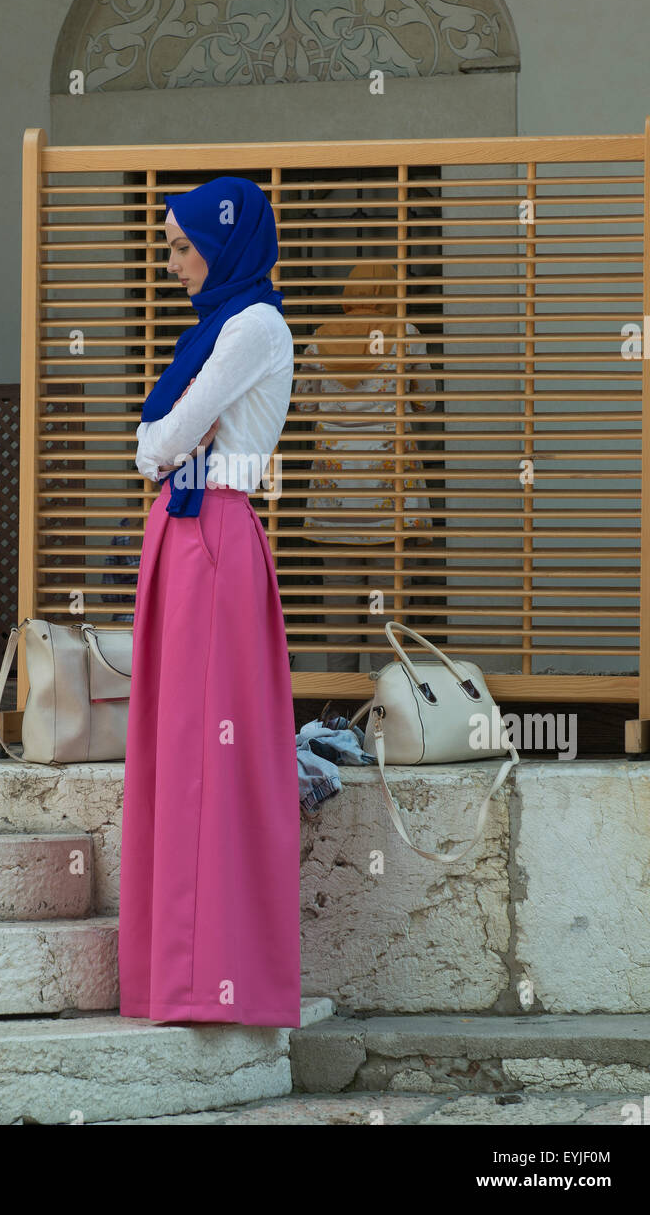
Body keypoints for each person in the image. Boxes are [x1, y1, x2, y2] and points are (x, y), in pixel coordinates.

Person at [119, 176, 300, 1027]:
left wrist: (156, 445)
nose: (169, 263)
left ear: (224, 245)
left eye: (182, 247)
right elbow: (157, 447)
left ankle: (207, 979)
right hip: (190, 538)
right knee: (179, 748)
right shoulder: (220, 327)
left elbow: (161, 442)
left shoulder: (250, 326)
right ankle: (177, 976)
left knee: (203, 757)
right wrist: (157, 447)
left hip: (212, 537)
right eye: (164, 246)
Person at [295, 261, 436, 672]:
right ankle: (385, 709)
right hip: (388, 497)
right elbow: (425, 401)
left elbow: (303, 403)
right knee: (387, 615)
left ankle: (334, 713)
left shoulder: (321, 340)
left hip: (334, 499)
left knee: (337, 612)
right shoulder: (405, 335)